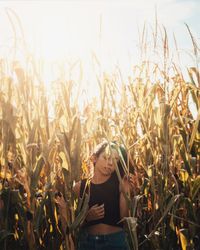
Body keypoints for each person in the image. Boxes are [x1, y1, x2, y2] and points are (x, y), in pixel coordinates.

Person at [56, 140, 136, 250]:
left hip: (115, 242)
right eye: (106, 157)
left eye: (115, 160)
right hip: (87, 242)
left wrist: (125, 191)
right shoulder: (80, 187)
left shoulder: (120, 183)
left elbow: (124, 219)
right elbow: (69, 223)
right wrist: (86, 216)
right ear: (94, 158)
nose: (110, 163)